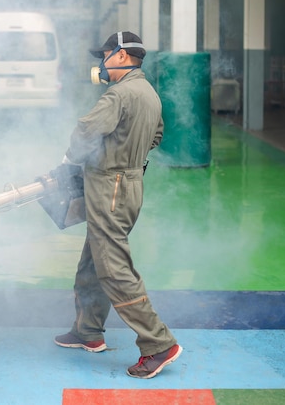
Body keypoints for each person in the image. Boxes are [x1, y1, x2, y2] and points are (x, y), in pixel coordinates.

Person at [54, 31, 182, 379]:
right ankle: (88, 331)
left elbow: (86, 130)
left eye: (106, 54)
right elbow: (156, 135)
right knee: (94, 261)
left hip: (109, 186)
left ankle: (158, 343)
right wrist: (127, 153)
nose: (102, 62)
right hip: (129, 184)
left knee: (112, 267)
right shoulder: (149, 93)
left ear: (122, 56)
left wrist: (70, 161)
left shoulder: (119, 94)